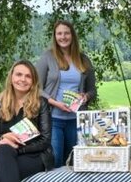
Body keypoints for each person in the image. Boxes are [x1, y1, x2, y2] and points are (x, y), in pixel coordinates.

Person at [35, 20, 97, 168]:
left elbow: (92, 90)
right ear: (55, 36)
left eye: (66, 33)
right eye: (59, 33)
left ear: (72, 35)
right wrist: (54, 102)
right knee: (55, 159)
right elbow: (36, 88)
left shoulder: (83, 59)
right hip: (53, 118)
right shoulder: (47, 57)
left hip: (76, 120)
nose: (63, 37)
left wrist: (86, 97)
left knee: (74, 162)